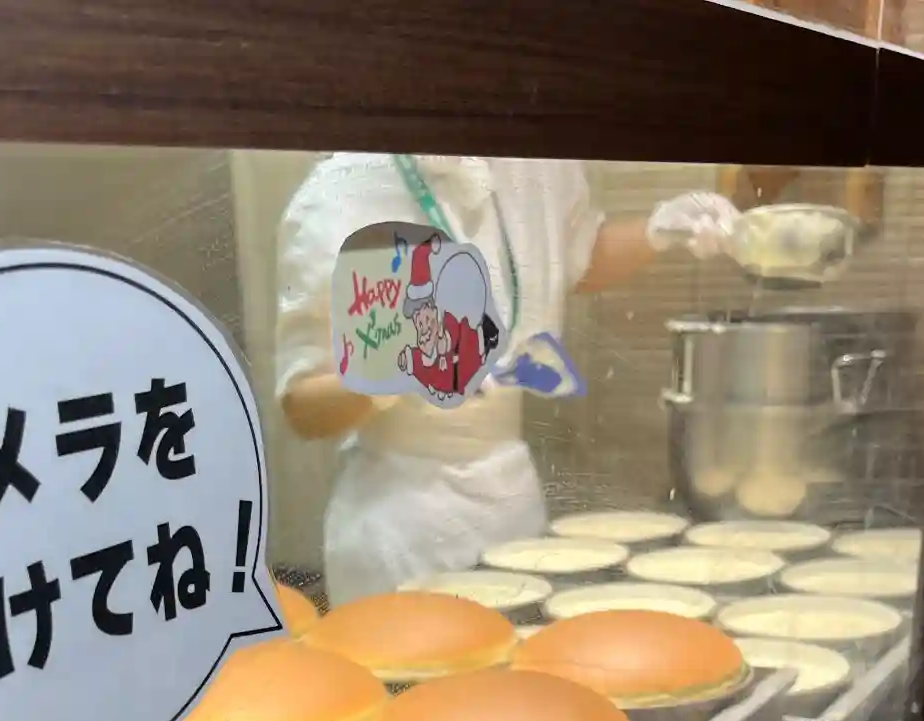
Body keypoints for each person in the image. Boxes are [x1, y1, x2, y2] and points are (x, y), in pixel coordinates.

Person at [276, 154, 738, 604]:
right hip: (400, 525)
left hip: (511, 506)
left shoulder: (532, 160)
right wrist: (398, 373)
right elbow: (303, 407)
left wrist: (660, 229)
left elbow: (574, 254)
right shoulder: (342, 192)